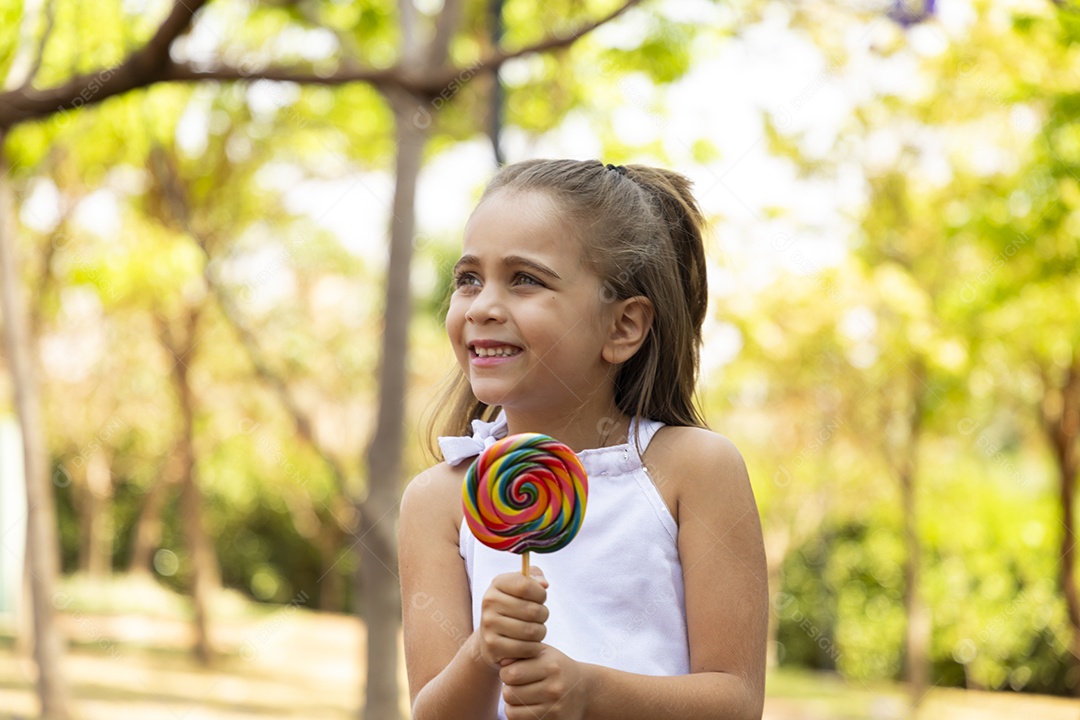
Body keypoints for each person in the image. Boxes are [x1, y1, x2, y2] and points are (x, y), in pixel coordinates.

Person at [399, 159, 768, 720]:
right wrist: (482, 652)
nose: (483, 306)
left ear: (623, 326)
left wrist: (587, 691)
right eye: (468, 278)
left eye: (525, 279)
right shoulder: (439, 499)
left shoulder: (694, 469)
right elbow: (432, 713)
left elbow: (735, 701)